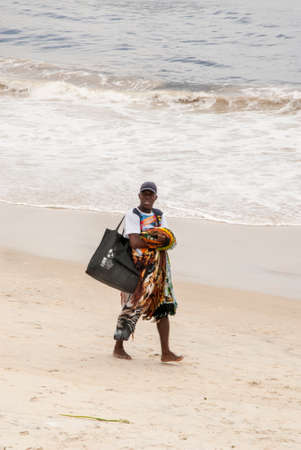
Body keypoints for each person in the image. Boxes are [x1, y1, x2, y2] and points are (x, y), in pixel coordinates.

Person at [113, 181, 183, 362]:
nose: (147, 197)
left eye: (150, 195)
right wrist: (157, 240)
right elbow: (135, 242)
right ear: (139, 196)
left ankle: (166, 352)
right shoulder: (133, 214)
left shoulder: (160, 215)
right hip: (138, 269)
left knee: (163, 308)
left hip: (159, 272)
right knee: (132, 306)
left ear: (155, 197)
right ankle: (118, 347)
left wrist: (154, 239)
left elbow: (170, 241)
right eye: (144, 194)